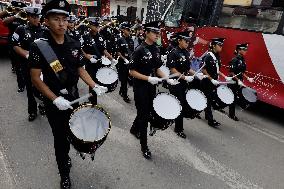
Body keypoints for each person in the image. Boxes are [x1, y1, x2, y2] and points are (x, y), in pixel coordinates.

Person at [29, 1, 107, 188]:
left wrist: (94, 85)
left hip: (73, 95)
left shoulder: (73, 41)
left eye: (65, 19)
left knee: (74, 128)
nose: (62, 23)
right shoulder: (39, 45)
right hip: (54, 99)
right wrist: (55, 99)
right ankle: (64, 172)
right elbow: (35, 78)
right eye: (56, 19)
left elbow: (80, 68)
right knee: (60, 139)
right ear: (46, 21)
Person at [129, 21, 177, 159]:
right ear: (147, 33)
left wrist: (167, 78)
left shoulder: (156, 49)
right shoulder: (139, 50)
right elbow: (132, 71)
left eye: (158, 33)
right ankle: (144, 146)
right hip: (140, 87)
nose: (158, 35)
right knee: (144, 117)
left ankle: (133, 129)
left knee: (146, 111)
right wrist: (148, 78)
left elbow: (157, 69)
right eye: (155, 32)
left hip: (152, 87)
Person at [12, 6, 45, 121]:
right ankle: (32, 111)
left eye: (38, 17)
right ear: (28, 17)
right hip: (28, 65)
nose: (37, 19)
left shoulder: (45, 30)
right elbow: (15, 45)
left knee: (42, 88)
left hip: (42, 66)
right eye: (34, 17)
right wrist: (25, 54)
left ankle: (42, 105)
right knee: (30, 90)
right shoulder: (20, 29)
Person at [166, 31, 198, 138]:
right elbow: (172, 69)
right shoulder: (173, 52)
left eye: (188, 41)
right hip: (175, 82)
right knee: (179, 103)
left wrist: (197, 74)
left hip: (184, 82)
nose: (187, 43)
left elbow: (188, 68)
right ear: (179, 40)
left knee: (179, 102)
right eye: (185, 41)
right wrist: (184, 77)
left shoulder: (186, 53)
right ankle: (178, 128)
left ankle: (169, 115)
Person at [81, 17, 118, 105]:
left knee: (98, 81)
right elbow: (80, 50)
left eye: (98, 25)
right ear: (90, 25)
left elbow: (104, 50)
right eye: (95, 25)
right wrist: (88, 57)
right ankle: (93, 102)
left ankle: (92, 98)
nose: (97, 27)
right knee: (92, 82)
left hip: (99, 63)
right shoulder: (85, 36)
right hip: (90, 64)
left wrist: (112, 59)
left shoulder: (101, 37)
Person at [201, 38, 231, 127]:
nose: (221, 47)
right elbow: (203, 69)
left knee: (208, 100)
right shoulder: (208, 56)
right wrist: (211, 79)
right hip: (207, 82)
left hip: (214, 81)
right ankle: (210, 120)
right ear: (214, 46)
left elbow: (217, 69)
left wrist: (225, 76)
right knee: (208, 100)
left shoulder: (217, 56)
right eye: (220, 45)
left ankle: (206, 115)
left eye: (222, 45)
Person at [227, 43, 254, 121]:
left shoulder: (242, 60)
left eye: (246, 49)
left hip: (239, 82)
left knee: (236, 96)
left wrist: (248, 78)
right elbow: (232, 72)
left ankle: (238, 108)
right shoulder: (234, 60)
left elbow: (241, 72)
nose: (246, 51)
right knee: (232, 97)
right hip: (233, 81)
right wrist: (238, 80)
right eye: (244, 49)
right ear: (239, 50)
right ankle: (231, 115)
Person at [3, 0, 27, 85]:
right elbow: (4, 22)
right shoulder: (11, 16)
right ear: (15, 9)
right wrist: (15, 16)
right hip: (13, 40)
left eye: (20, 9)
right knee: (15, 59)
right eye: (17, 9)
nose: (19, 11)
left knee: (25, 60)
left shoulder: (25, 15)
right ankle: (20, 83)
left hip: (24, 41)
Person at [116, 22, 134, 103]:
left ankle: (121, 91)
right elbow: (118, 52)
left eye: (130, 29)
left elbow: (132, 51)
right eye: (127, 29)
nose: (129, 31)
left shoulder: (131, 40)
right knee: (123, 80)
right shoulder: (120, 39)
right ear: (123, 30)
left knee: (128, 78)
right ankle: (125, 95)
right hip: (122, 62)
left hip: (129, 62)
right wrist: (124, 59)